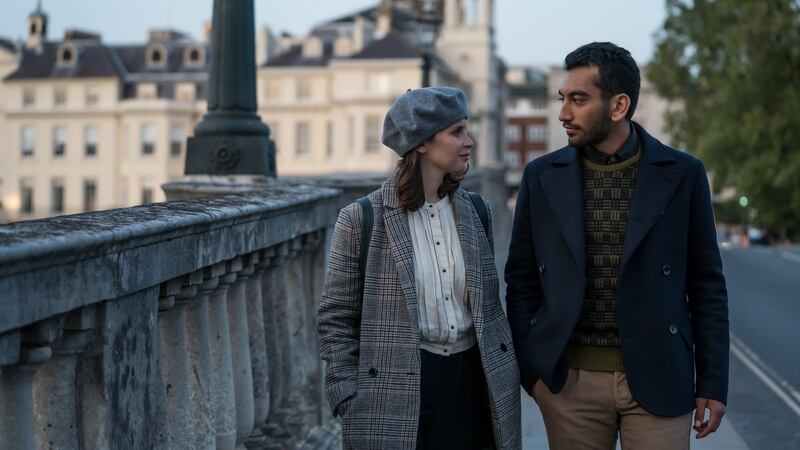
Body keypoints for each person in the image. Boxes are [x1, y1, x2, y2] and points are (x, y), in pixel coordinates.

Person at [505, 42, 729, 450]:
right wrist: (533, 369)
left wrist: (713, 382)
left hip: (661, 373)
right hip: (569, 385)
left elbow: (707, 286)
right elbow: (521, 279)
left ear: (619, 105)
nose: (563, 113)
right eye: (562, 99)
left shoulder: (684, 173)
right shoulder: (540, 176)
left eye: (578, 100)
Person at [317, 87, 521, 450]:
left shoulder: (478, 211)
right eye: (457, 132)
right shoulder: (361, 218)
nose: (469, 142)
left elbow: (488, 308)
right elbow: (336, 318)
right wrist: (347, 397)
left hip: (473, 385)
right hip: (390, 393)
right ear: (422, 143)